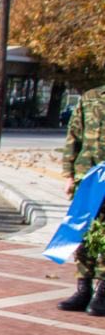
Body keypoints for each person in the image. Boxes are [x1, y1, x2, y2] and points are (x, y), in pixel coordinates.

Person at [60, 84, 105, 314]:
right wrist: (68, 173)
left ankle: (103, 291)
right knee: (82, 232)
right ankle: (83, 288)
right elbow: (73, 135)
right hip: (87, 176)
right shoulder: (91, 98)